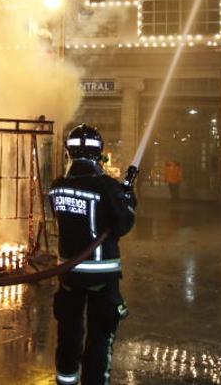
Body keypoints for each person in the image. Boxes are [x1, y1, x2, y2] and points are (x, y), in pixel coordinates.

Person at [49, 124, 136, 385]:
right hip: (101, 276)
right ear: (100, 154)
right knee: (99, 338)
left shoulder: (57, 186)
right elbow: (122, 225)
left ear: (69, 153)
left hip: (68, 276)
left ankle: (66, 381)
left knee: (68, 335)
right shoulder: (106, 186)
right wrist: (128, 199)